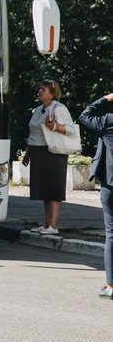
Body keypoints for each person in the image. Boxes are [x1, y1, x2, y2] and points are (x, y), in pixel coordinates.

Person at [22, 79, 76, 235]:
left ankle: (53, 225)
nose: (40, 91)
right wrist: (28, 153)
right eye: (40, 88)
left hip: (53, 152)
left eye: (43, 89)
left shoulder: (59, 108)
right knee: (44, 189)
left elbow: (70, 129)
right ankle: (47, 224)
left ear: (52, 94)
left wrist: (53, 126)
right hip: (38, 152)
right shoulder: (39, 109)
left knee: (54, 188)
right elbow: (34, 134)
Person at [78, 93, 113, 299]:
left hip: (110, 183)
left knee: (111, 234)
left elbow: (85, 116)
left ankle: (110, 285)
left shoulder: (109, 121)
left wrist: (107, 98)